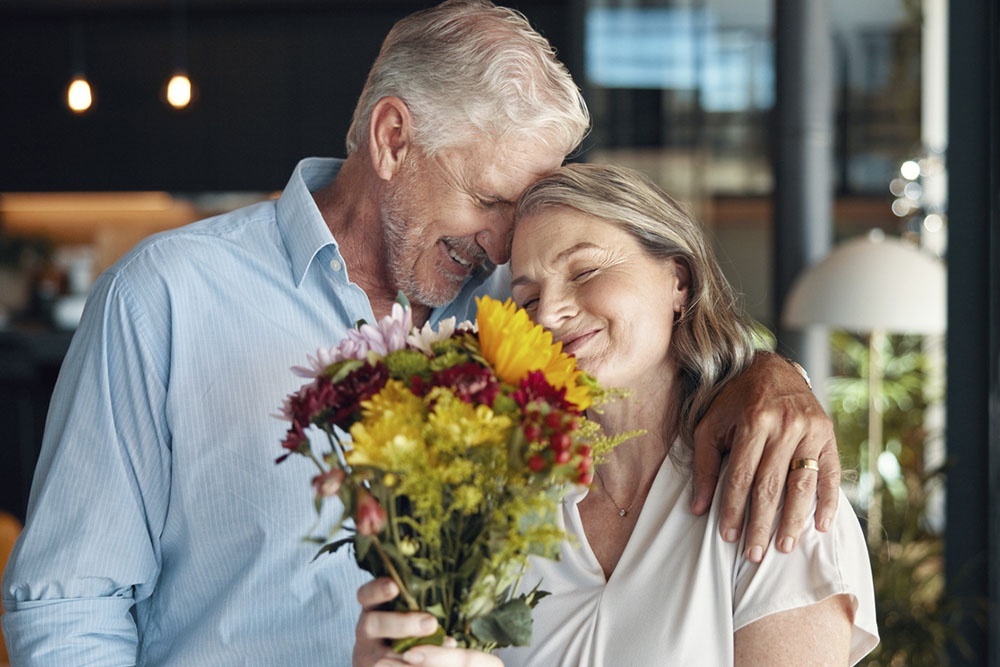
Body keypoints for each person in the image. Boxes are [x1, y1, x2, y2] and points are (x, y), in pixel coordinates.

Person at [3, 2, 838, 665]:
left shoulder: (511, 322)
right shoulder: (165, 298)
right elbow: (70, 604)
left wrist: (767, 373)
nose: (514, 244)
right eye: (492, 200)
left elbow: (652, 344)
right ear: (394, 138)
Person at [354, 163, 878, 667]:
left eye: (585, 270)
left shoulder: (772, 484)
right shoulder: (496, 497)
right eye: (528, 297)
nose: (551, 311)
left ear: (679, 281)